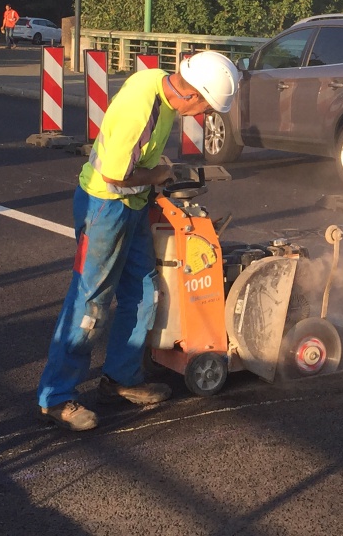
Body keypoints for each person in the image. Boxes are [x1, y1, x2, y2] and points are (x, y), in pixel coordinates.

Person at [36, 52, 241, 431]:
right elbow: (115, 175)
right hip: (104, 207)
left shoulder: (159, 84)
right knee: (90, 304)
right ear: (193, 94)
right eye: (206, 107)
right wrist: (160, 173)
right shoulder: (139, 109)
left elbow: (136, 157)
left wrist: (155, 171)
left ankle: (120, 379)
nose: (202, 115)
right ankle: (57, 397)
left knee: (146, 293)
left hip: (131, 205)